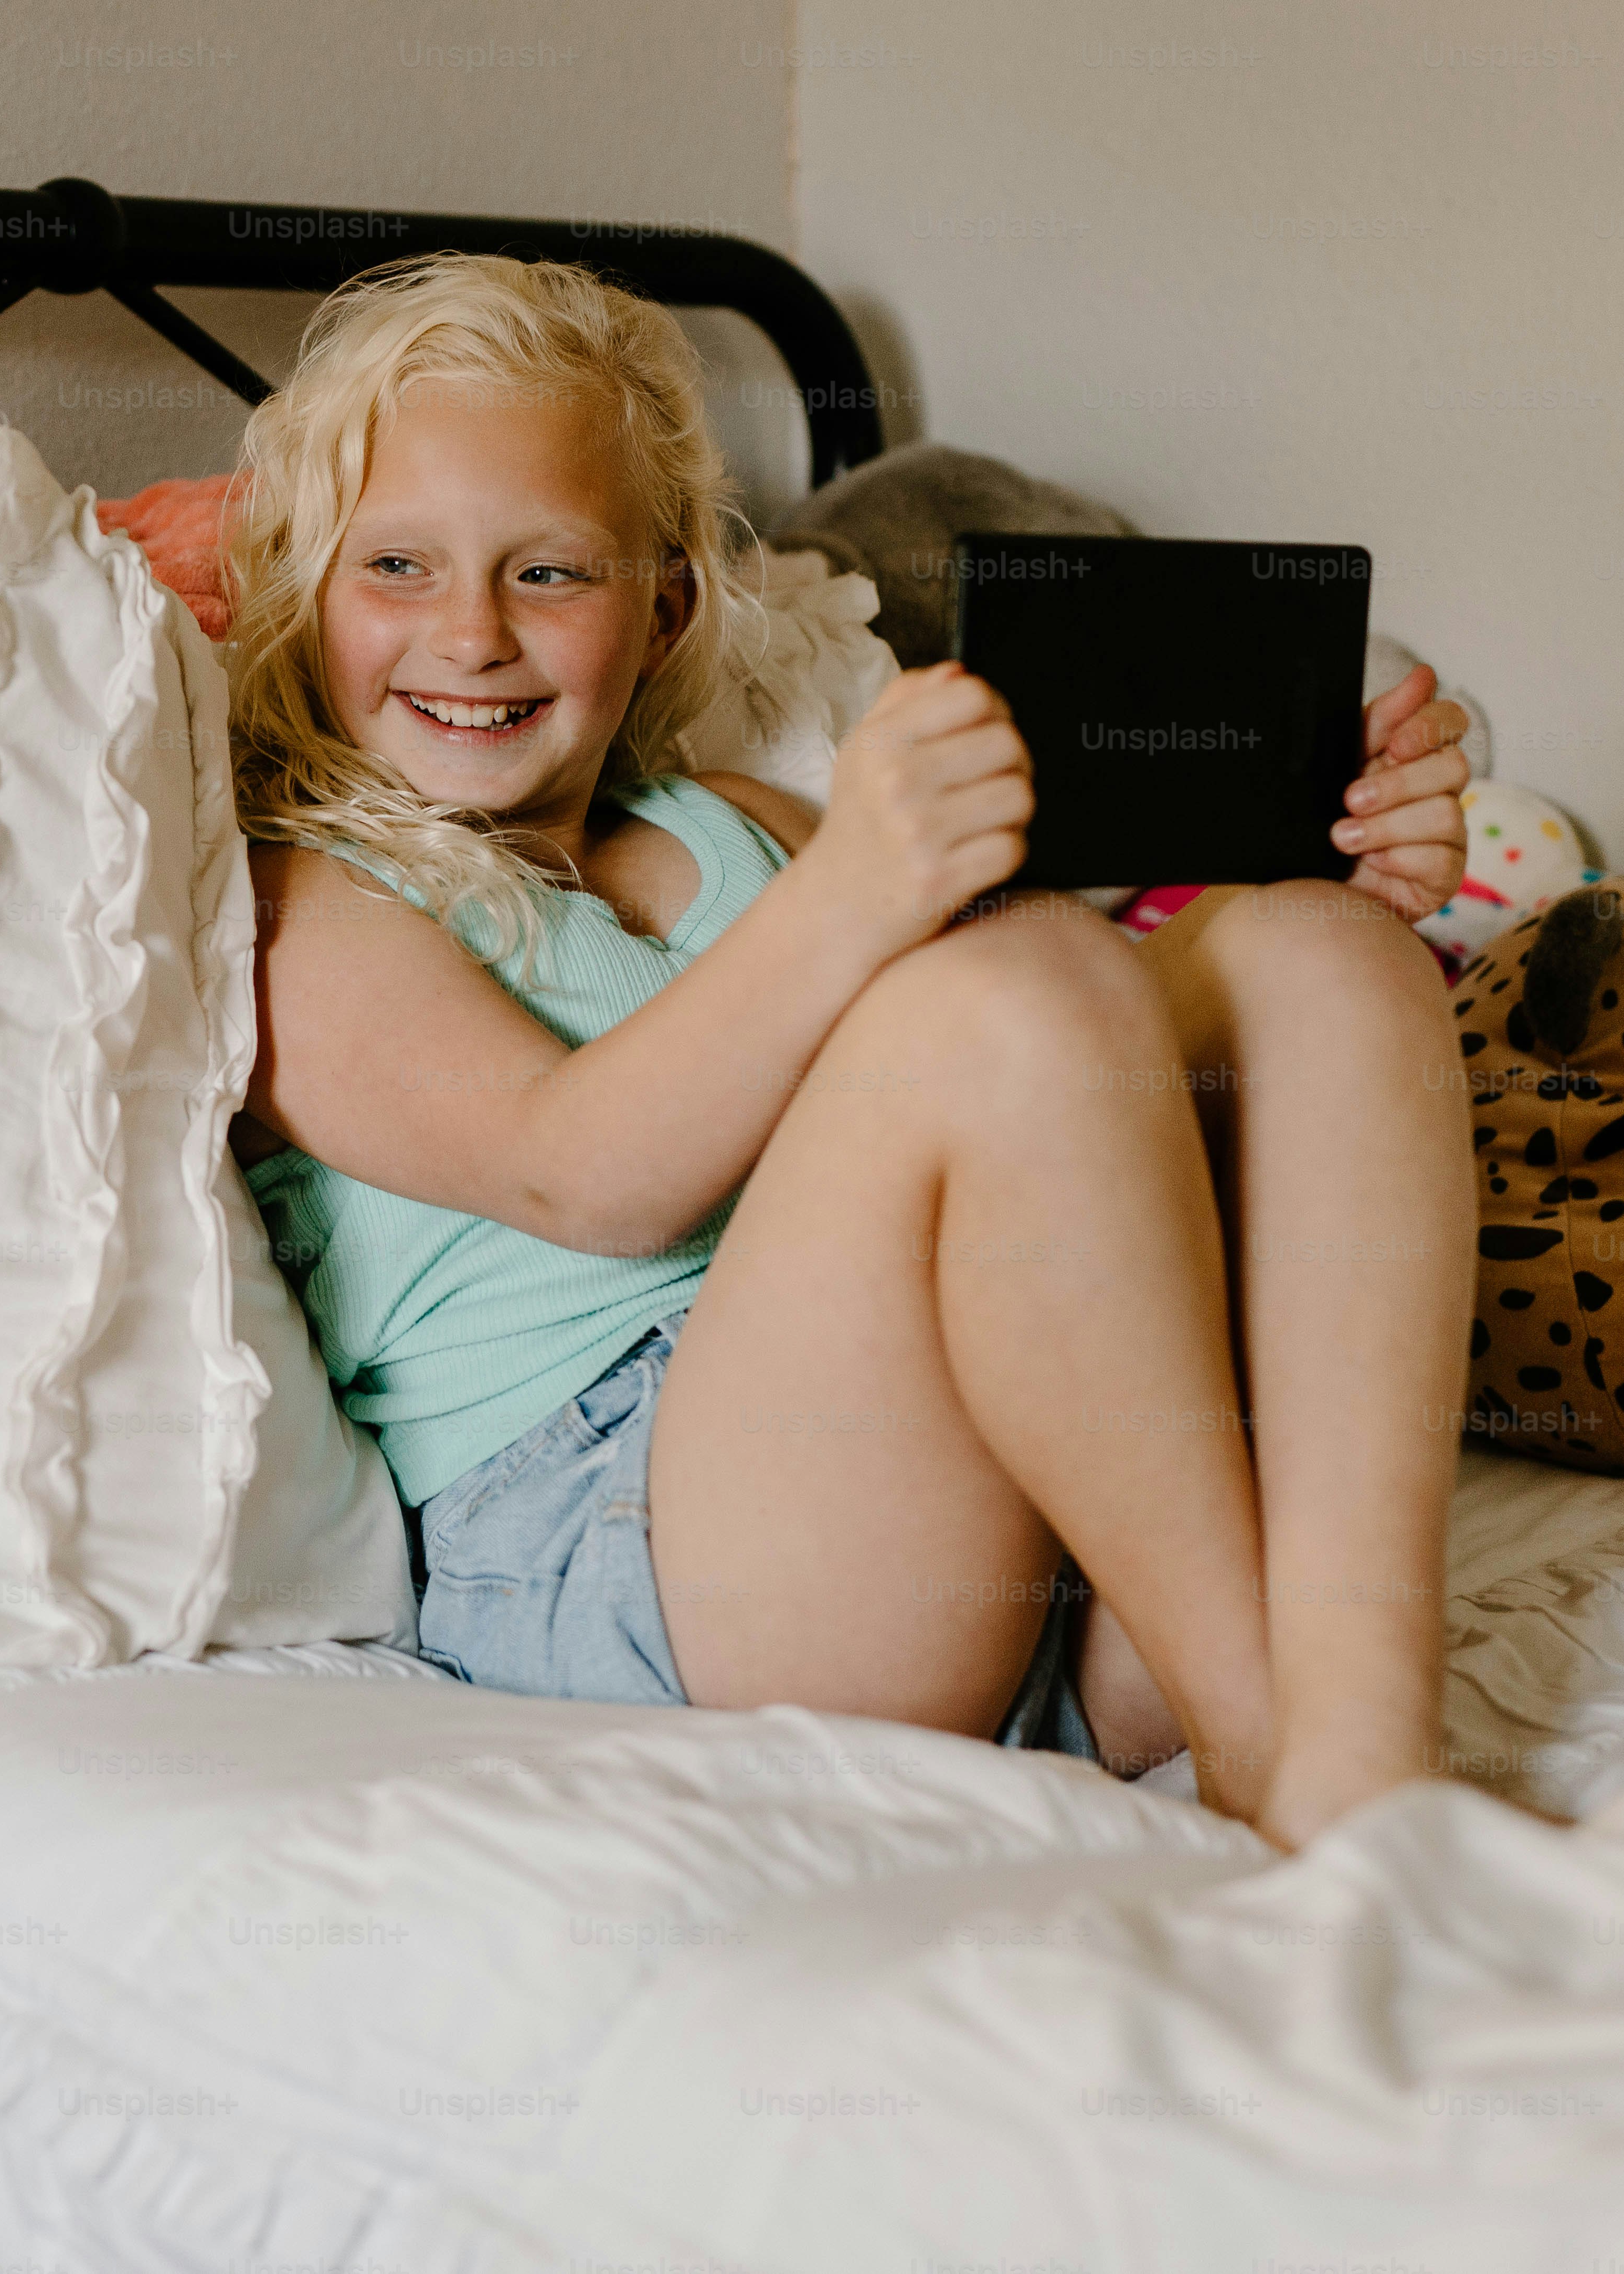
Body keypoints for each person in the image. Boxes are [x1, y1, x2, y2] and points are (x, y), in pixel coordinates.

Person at [224, 255, 1476, 1850]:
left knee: (1318, 963)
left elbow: (1071, 1119)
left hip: (1028, 1538)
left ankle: (1369, 1743)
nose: (469, 635)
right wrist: (862, 894)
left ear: (664, 602)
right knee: (1009, 993)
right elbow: (584, 1173)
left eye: (550, 574)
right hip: (665, 1560)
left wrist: (1327, 858)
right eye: (395, 564)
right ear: (301, 586)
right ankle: (1272, 1742)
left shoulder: (733, 826)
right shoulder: (311, 893)